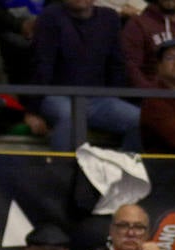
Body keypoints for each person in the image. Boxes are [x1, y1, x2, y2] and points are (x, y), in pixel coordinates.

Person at [32, 0, 141, 150]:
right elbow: (41, 65)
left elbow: (117, 65)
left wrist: (116, 99)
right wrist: (33, 110)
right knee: (71, 116)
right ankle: (61, 172)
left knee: (139, 120)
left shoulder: (109, 18)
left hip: (98, 99)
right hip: (58, 96)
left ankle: (119, 169)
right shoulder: (50, 15)